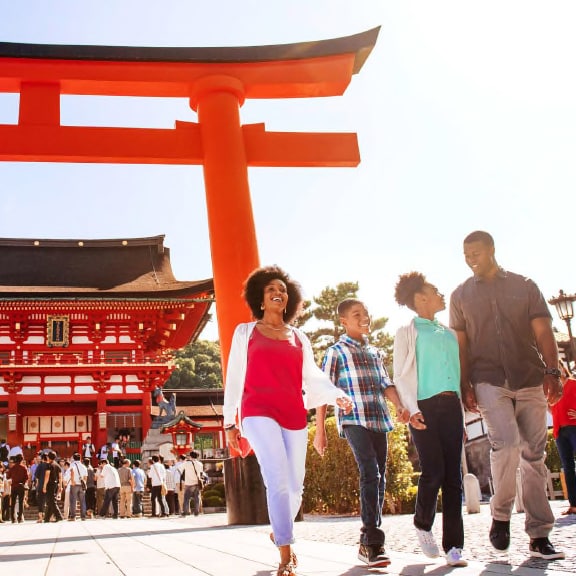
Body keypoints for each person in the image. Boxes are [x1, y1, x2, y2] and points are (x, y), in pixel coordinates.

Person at [223, 265, 353, 576]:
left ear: (289, 298)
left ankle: (279, 528)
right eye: (271, 290)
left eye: (282, 289)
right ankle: (286, 553)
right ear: (260, 299)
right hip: (257, 412)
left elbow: (313, 377)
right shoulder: (245, 332)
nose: (277, 293)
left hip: (294, 413)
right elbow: (234, 378)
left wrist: (336, 395)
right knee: (277, 477)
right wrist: (230, 422)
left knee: (295, 485)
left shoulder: (299, 337)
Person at [450, 230, 564, 560]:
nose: (471, 258)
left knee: (534, 455)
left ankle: (539, 535)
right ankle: (501, 516)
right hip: (487, 380)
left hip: (529, 376)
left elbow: (544, 332)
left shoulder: (524, 286)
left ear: (492, 250)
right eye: (466, 253)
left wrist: (552, 372)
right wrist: (464, 383)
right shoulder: (460, 296)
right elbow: (461, 345)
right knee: (507, 443)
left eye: (477, 252)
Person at [317, 298, 407, 568]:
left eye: (366, 313)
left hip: (379, 417)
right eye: (357, 314)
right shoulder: (336, 352)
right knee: (371, 472)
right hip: (353, 418)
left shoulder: (375, 352)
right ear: (344, 321)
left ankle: (367, 541)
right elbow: (323, 390)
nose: (364, 317)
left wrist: (400, 406)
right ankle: (372, 542)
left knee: (379, 478)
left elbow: (385, 384)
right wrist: (320, 429)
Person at [393, 272, 467, 567]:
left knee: (454, 478)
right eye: (434, 290)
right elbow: (400, 374)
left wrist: (463, 414)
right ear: (420, 298)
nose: (440, 293)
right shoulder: (407, 332)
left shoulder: (449, 333)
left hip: (452, 407)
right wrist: (411, 409)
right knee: (433, 471)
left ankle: (454, 547)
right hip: (423, 407)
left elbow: (458, 374)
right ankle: (423, 523)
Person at [550, 363, 576, 515]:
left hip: (574, 427)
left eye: (559, 366)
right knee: (568, 467)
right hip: (559, 431)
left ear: (563, 368)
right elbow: (550, 406)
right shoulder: (551, 390)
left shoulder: (573, 384)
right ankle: (574, 505)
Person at [6, 454, 28, 523]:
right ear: (21, 460)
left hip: (14, 486)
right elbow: (26, 478)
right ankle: (20, 518)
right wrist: (23, 483)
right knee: (21, 503)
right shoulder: (23, 468)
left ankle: (13, 518)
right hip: (21, 486)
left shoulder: (12, 468)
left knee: (13, 503)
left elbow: (8, 477)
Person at [42, 451, 63, 523]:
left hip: (50, 484)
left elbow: (47, 476)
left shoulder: (49, 465)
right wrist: (60, 486)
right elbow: (60, 477)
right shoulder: (58, 465)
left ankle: (59, 516)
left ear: (49, 457)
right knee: (50, 501)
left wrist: (44, 486)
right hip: (56, 484)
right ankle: (47, 518)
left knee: (52, 501)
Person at [181, 451, 204, 517]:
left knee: (186, 498)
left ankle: (185, 512)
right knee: (197, 497)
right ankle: (196, 512)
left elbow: (180, 469)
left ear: (190, 456)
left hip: (188, 482)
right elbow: (201, 473)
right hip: (197, 482)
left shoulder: (186, 463)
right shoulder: (200, 464)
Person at [68, 452, 88, 521]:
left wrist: (72, 481)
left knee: (73, 500)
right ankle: (83, 516)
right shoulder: (84, 466)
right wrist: (84, 483)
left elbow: (72, 472)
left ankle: (73, 516)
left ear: (73, 458)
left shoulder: (72, 464)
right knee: (82, 500)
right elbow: (85, 477)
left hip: (75, 484)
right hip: (82, 485)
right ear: (80, 458)